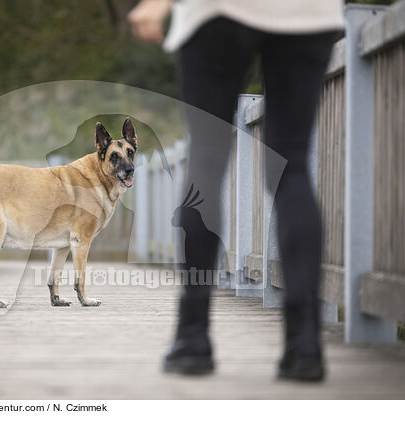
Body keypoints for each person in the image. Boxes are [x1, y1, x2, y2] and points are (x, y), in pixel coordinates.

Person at [128, 0, 343, 381]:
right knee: (292, 166)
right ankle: (305, 344)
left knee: (206, 159)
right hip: (308, 13)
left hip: (218, 12)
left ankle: (193, 338)